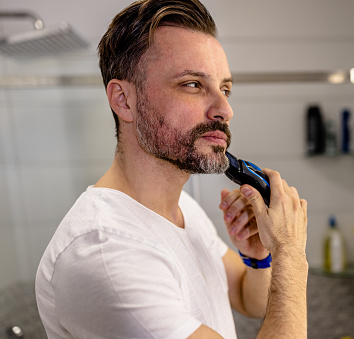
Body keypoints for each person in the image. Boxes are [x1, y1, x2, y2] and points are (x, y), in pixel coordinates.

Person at [35, 0, 308, 338]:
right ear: (123, 100)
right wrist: (291, 253)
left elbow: (247, 297)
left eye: (225, 89)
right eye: (193, 84)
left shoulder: (182, 209)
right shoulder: (104, 252)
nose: (225, 109)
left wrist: (260, 255)